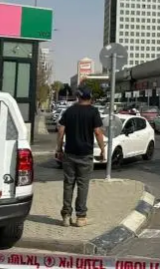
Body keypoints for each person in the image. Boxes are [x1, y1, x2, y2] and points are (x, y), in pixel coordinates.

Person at [56, 87, 106, 228]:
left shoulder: (70, 111)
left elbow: (61, 130)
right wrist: (102, 149)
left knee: (68, 184)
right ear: (90, 98)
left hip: (69, 153)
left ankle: (66, 216)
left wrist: (59, 148)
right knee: (83, 186)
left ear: (78, 97)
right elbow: (97, 132)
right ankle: (80, 217)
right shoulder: (93, 112)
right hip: (85, 154)